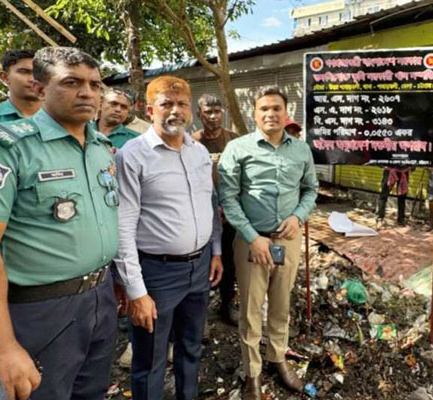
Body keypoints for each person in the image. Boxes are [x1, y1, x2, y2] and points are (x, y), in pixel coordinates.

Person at [0, 46, 118, 400]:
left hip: (99, 299)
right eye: (72, 82)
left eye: (96, 85)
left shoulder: (100, 148)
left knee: (90, 392)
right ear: (40, 87)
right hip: (37, 311)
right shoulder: (4, 148)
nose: (87, 92)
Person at [114, 75, 223, 400]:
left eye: (181, 104)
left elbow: (209, 204)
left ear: (191, 110)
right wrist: (136, 290)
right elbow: (123, 225)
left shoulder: (199, 152)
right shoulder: (132, 155)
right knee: (150, 360)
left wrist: (215, 250)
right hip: (157, 275)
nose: (175, 111)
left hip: (200, 268)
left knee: (191, 348)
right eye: (166, 104)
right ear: (149, 110)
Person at [218, 86, 318, 400]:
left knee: (281, 305)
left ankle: (278, 359)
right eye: (264, 109)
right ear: (255, 113)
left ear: (285, 113)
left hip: (287, 240)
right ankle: (253, 373)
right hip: (251, 243)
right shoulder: (238, 148)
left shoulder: (301, 150)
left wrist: (298, 216)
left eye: (276, 108)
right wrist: (252, 237)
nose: (270, 114)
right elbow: (228, 198)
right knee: (249, 311)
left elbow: (310, 190)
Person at [191, 94, 241, 325]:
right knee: (203, 261)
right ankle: (200, 312)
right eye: (208, 112)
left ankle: (227, 303)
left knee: (229, 260)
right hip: (199, 214)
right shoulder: (191, 143)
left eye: (217, 111)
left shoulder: (234, 141)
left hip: (230, 212)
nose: (213, 116)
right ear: (199, 114)